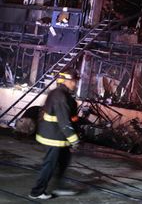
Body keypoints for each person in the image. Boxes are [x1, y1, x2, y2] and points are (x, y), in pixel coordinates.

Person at [29, 69, 81, 200]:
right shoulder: (61, 97)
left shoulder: (59, 93)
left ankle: (60, 187)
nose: (75, 84)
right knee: (50, 164)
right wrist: (74, 140)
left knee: (63, 161)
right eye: (74, 81)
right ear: (66, 81)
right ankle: (36, 192)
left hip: (58, 136)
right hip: (54, 137)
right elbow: (64, 121)